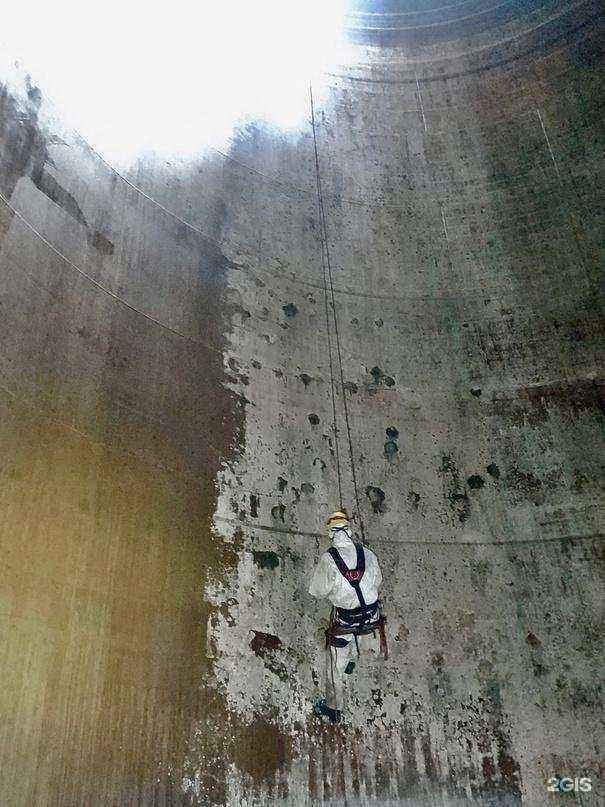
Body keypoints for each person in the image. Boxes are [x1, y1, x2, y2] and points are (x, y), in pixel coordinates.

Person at [308, 510, 387, 723]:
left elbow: (317, 591)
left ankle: (333, 709)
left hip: (347, 620)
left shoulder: (329, 559)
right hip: (371, 616)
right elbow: (377, 581)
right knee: (357, 626)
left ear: (330, 534)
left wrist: (339, 591)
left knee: (334, 663)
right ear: (349, 531)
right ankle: (352, 658)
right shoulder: (368, 554)